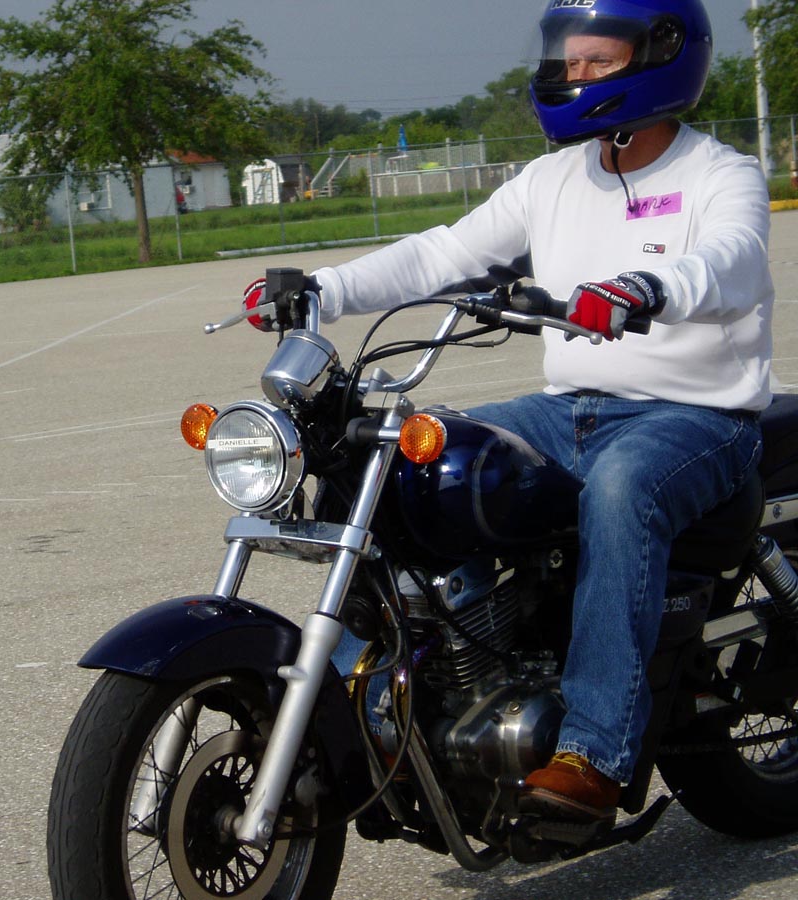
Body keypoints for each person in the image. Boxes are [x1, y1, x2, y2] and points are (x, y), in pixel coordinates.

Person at [290, 0, 774, 830]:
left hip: (697, 419)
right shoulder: (552, 178)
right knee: (407, 458)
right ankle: (395, 691)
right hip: (568, 411)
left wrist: (647, 287)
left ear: (662, 53)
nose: (573, 73)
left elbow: (727, 261)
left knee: (622, 488)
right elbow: (445, 251)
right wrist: (322, 290)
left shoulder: (719, 174)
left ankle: (593, 751)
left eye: (597, 59)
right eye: (566, 57)